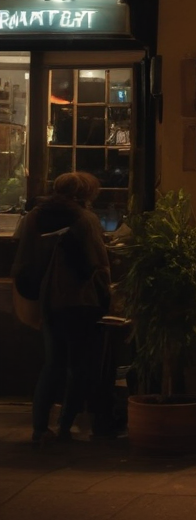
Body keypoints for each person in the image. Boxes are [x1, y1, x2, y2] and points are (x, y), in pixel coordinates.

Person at [14, 172, 112, 446]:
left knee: (52, 363)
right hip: (80, 300)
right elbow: (99, 265)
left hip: (46, 301)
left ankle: (39, 427)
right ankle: (66, 425)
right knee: (79, 366)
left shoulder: (34, 216)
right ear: (86, 194)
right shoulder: (85, 220)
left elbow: (23, 258)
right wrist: (107, 296)